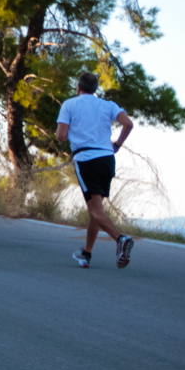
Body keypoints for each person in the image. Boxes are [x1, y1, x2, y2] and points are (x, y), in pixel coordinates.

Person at [56, 72, 135, 269]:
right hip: (107, 159)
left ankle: (121, 239)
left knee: (95, 210)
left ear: (78, 87)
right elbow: (128, 123)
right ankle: (86, 253)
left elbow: (61, 136)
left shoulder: (70, 104)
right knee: (96, 210)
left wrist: (70, 130)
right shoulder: (108, 105)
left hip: (86, 159)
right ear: (96, 88)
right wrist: (117, 144)